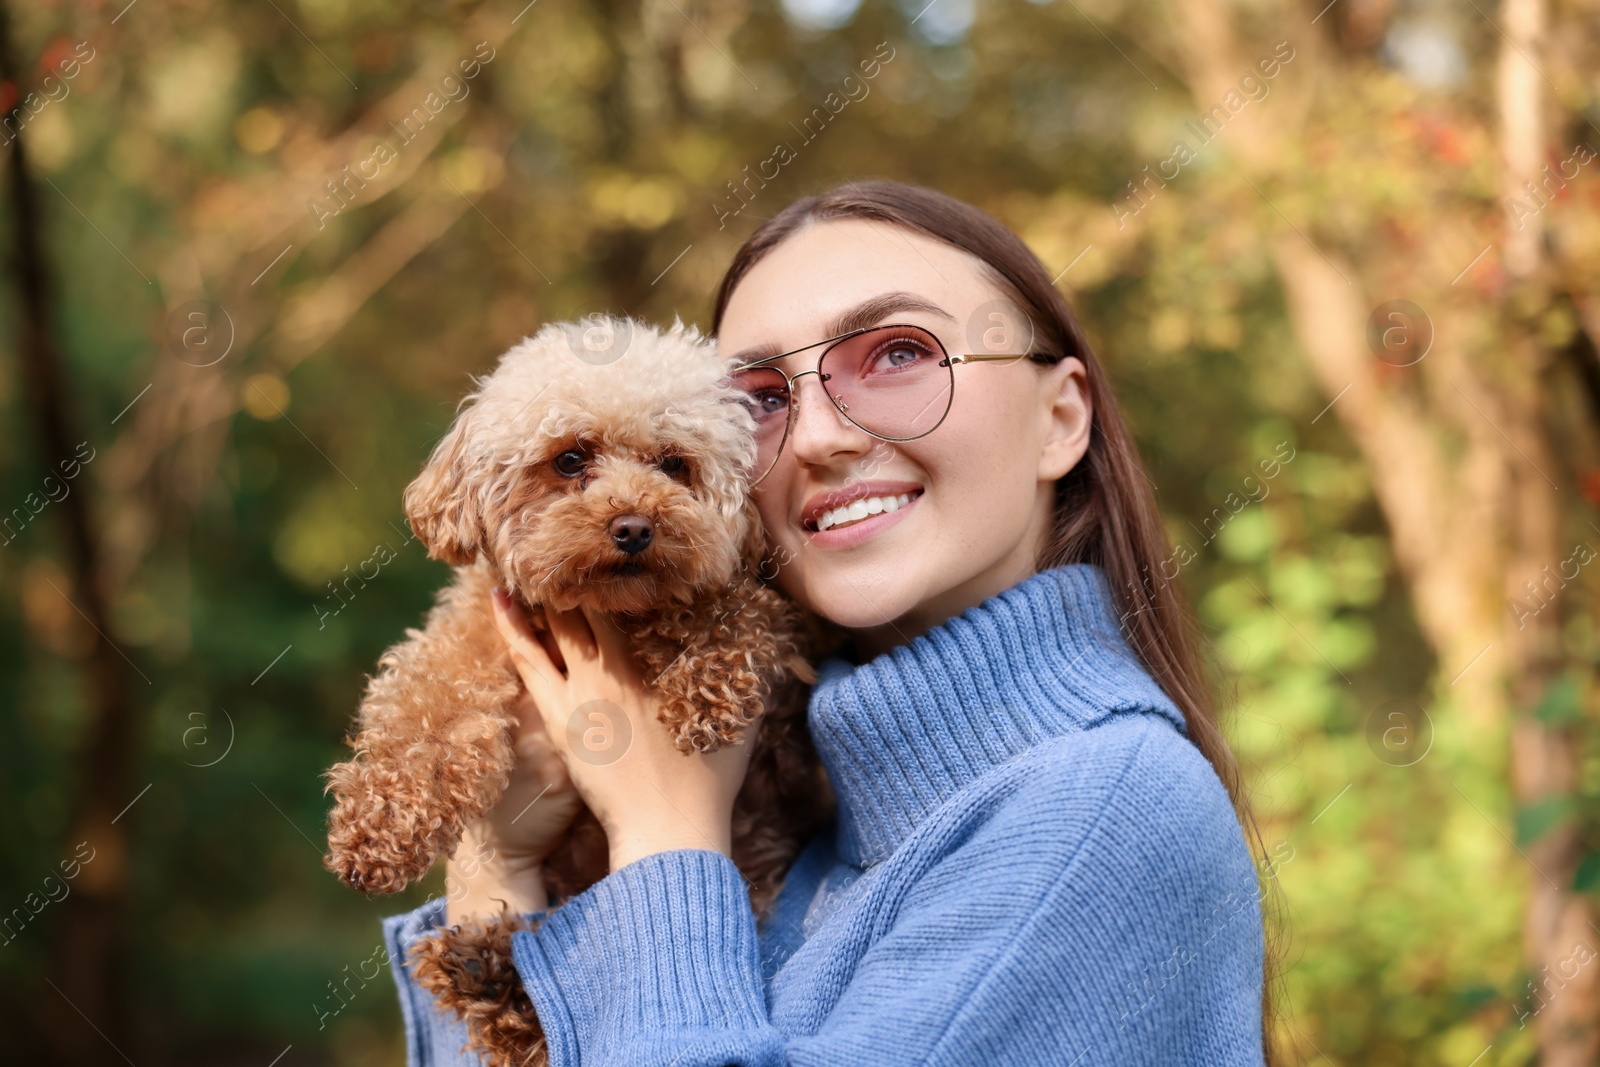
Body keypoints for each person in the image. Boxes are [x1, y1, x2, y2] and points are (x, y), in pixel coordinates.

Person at [380, 180, 1282, 1066]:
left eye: (897, 354)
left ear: (1060, 417)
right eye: (764, 397)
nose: (818, 436)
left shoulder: (1109, 810)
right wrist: (498, 866)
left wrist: (663, 829)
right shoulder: (825, 805)